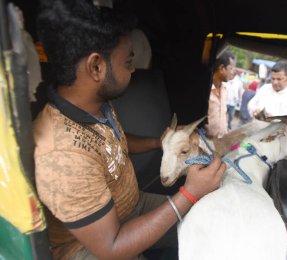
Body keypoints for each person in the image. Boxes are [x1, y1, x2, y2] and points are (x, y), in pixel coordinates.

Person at [33, 1, 226, 259]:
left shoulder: (96, 105)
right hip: (89, 247)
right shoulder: (61, 155)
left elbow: (114, 144)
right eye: (128, 62)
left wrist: (159, 143)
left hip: (131, 206)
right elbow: (112, 247)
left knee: (216, 218)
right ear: (97, 67)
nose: (133, 69)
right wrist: (189, 194)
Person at [205, 51, 235, 138]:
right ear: (222, 68)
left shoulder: (225, 90)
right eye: (231, 68)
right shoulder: (206, 91)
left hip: (221, 142)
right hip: (206, 142)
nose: (233, 72)